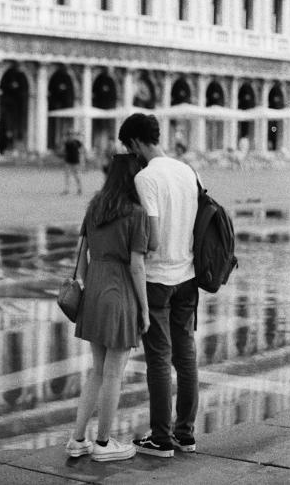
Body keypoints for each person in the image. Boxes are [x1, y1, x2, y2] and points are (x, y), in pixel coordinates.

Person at [118, 113, 199, 459]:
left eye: (129, 147)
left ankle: (161, 437)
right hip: (188, 276)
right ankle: (186, 434)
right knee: (186, 355)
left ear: (136, 143)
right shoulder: (188, 171)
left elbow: (152, 237)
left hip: (157, 280)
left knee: (159, 360)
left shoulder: (146, 177)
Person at [65, 153, 152, 462]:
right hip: (120, 291)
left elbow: (83, 254)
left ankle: (78, 439)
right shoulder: (136, 213)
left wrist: (90, 290)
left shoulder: (95, 207)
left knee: (97, 371)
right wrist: (144, 309)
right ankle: (103, 443)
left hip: (95, 290)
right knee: (114, 372)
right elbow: (137, 265)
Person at [61, 131, 83, 195]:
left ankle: (79, 188)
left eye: (72, 135)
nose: (70, 136)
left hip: (75, 161)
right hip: (68, 161)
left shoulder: (77, 142)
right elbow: (63, 151)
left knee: (76, 176)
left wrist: (82, 160)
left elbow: (81, 150)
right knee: (67, 176)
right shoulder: (67, 142)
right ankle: (67, 189)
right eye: (69, 135)